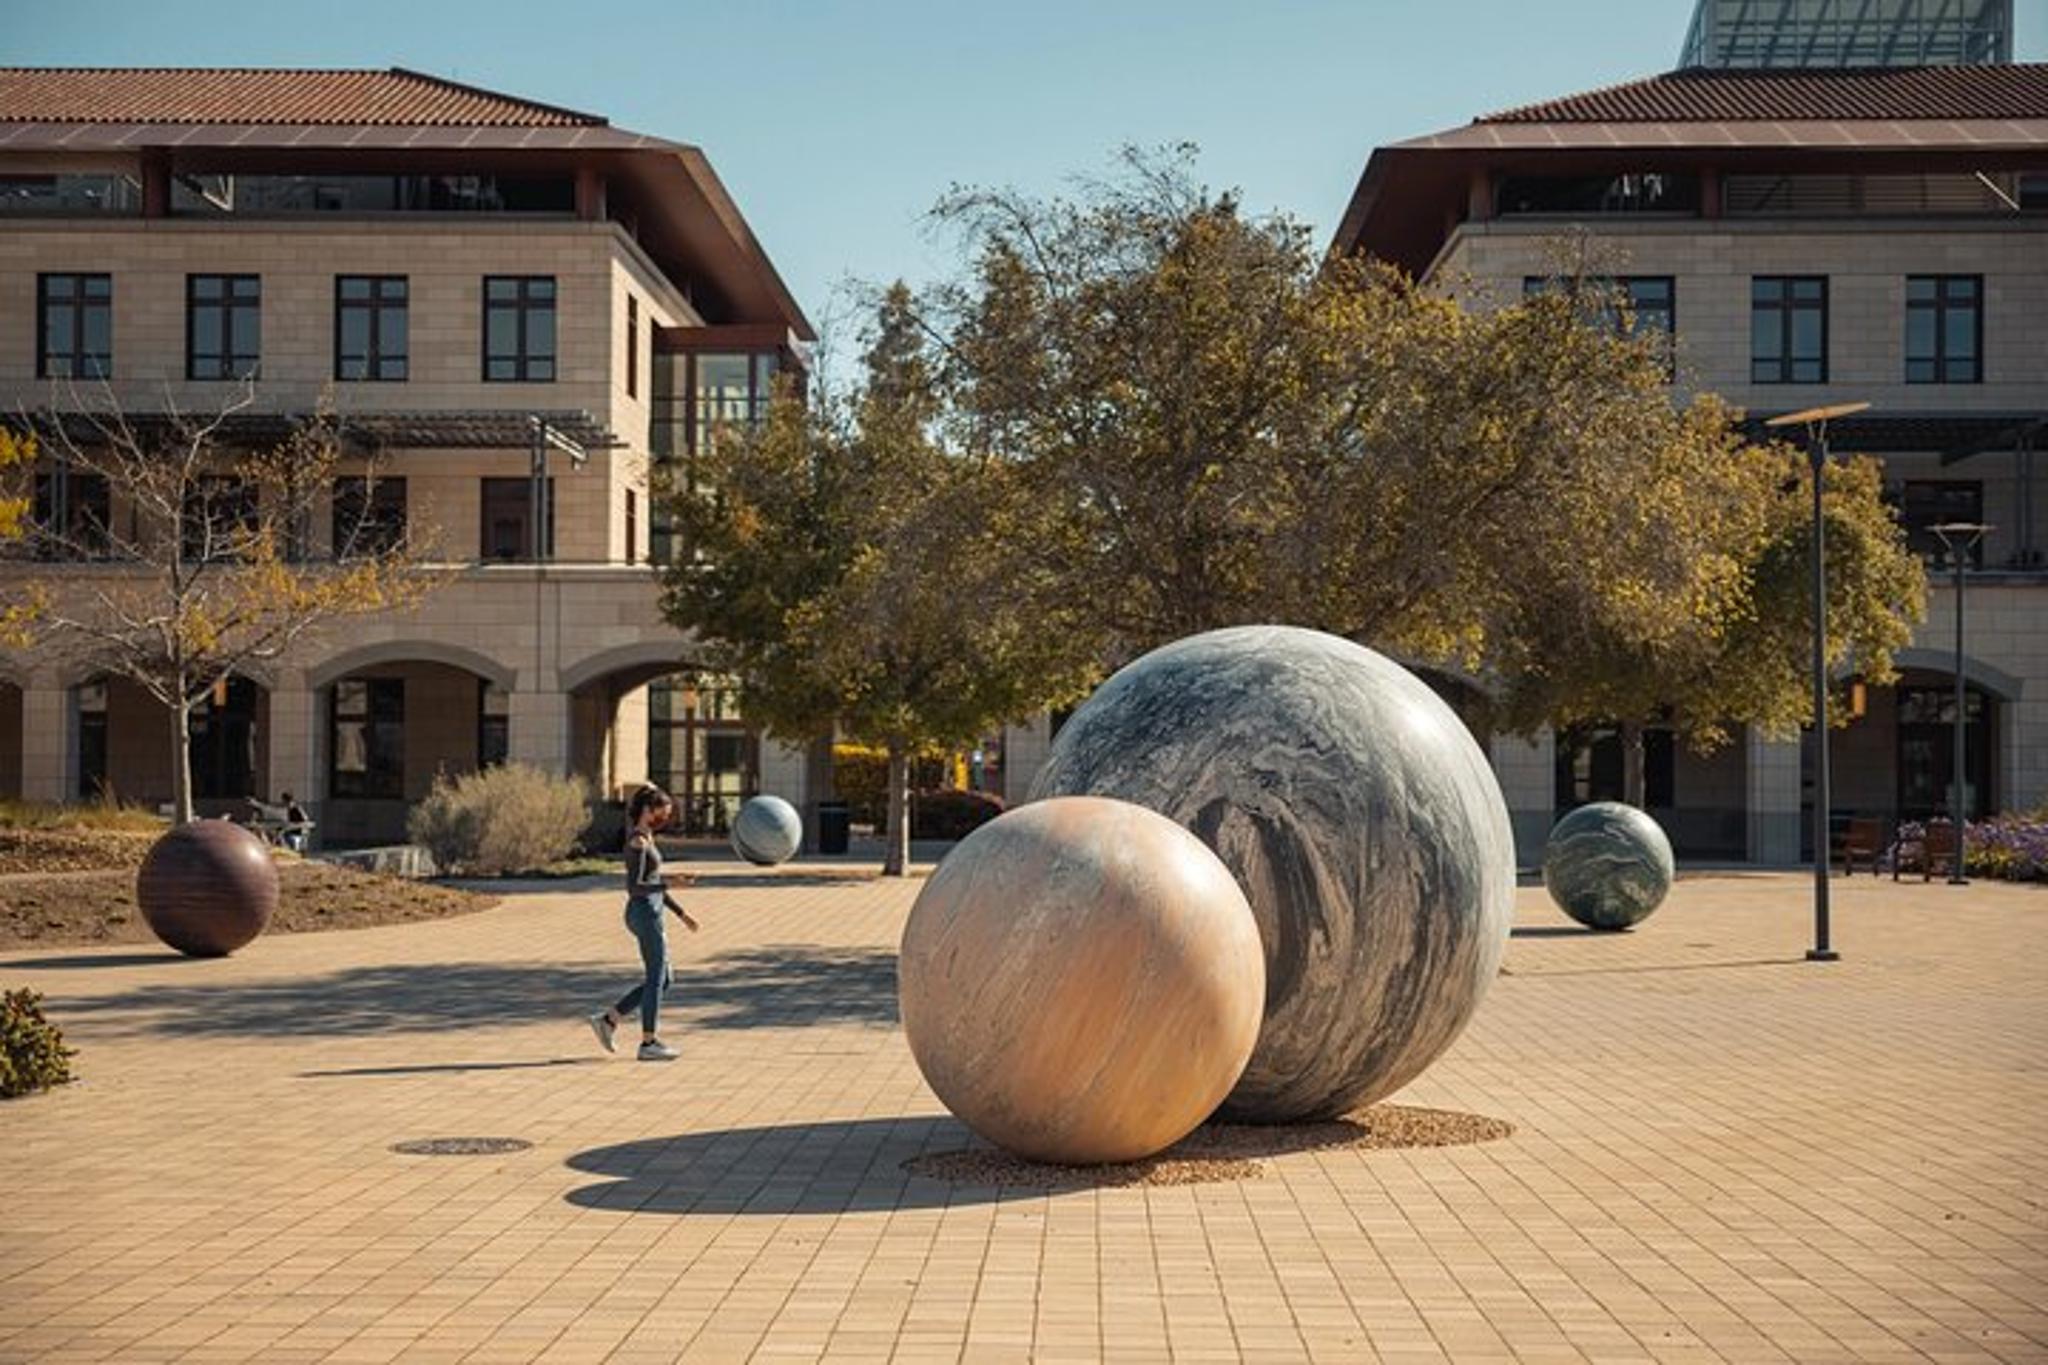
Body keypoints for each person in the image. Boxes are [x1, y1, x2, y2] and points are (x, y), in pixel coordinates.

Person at [590, 785, 699, 1061]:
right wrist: (670, 882)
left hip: (651, 911)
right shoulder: (637, 843)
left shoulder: (648, 838)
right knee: (656, 977)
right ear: (648, 811)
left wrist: (680, 913)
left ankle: (609, 1020)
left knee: (664, 979)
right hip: (643, 913)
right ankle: (648, 1043)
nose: (665, 819)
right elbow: (637, 887)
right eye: (662, 813)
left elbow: (653, 885)